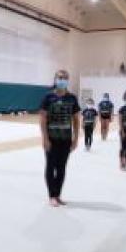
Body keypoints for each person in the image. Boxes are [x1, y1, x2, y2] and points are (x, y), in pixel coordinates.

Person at [40, 70, 80, 207]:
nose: (62, 79)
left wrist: (75, 138)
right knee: (51, 167)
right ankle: (51, 195)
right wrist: (45, 138)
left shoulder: (72, 98)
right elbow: (43, 118)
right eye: (60, 77)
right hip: (52, 138)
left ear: (68, 80)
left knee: (62, 168)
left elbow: (76, 120)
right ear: (55, 79)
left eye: (65, 77)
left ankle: (58, 195)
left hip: (66, 139)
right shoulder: (48, 97)